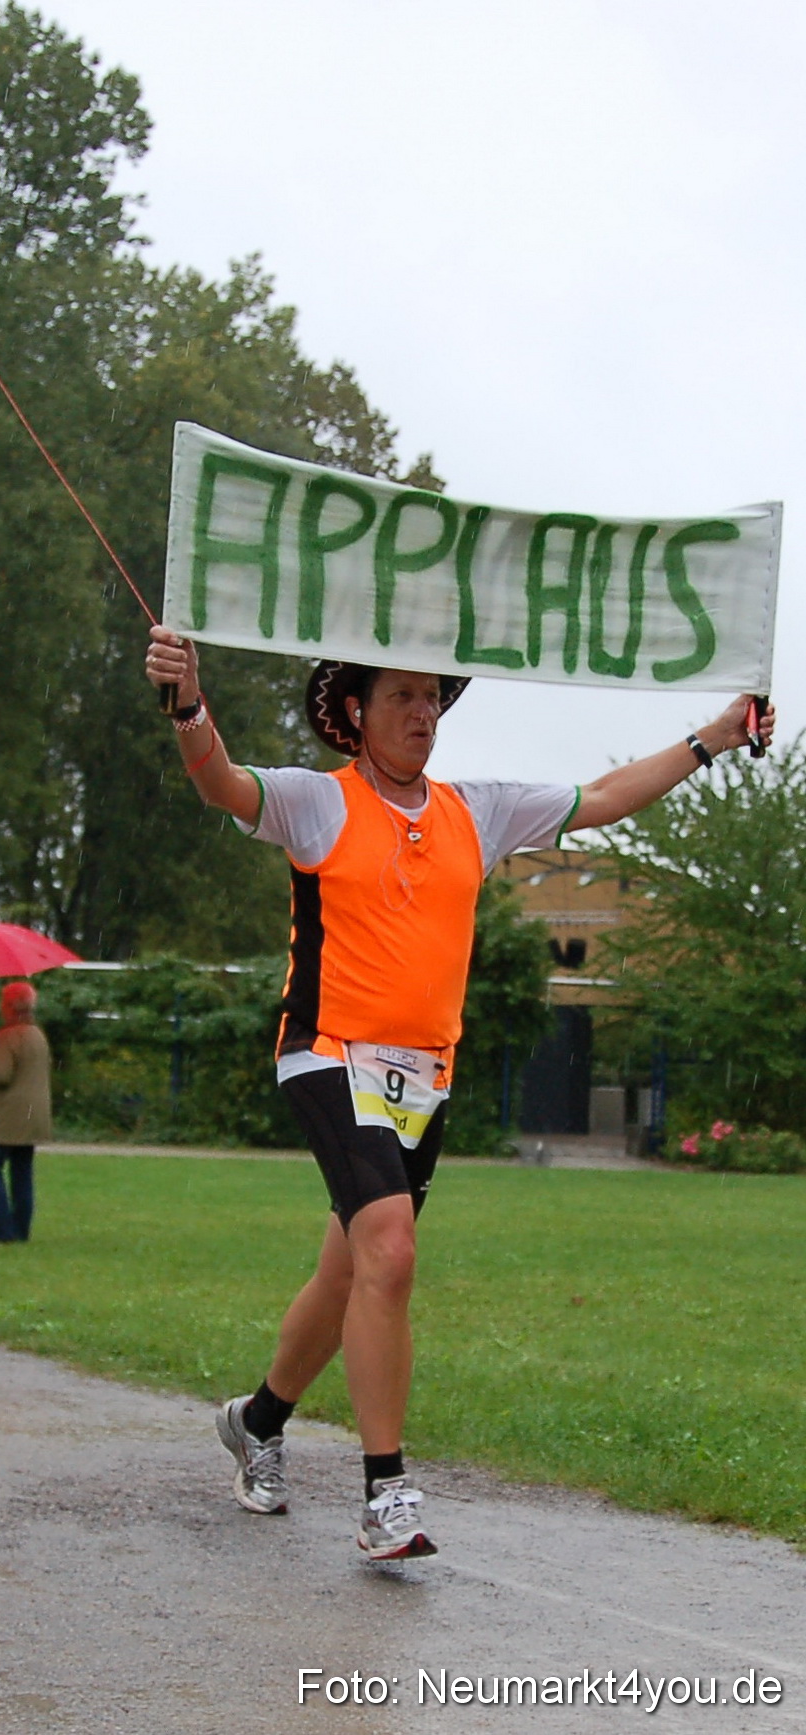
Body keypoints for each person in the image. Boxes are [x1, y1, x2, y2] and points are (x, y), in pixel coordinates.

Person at [145, 624, 775, 1561]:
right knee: (390, 1250)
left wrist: (710, 739)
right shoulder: (319, 803)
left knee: (352, 1268)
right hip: (325, 1049)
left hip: (424, 1076)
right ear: (355, 712)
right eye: (401, 694)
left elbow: (600, 797)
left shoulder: (476, 810)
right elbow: (220, 782)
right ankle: (385, 1491)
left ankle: (259, 1421)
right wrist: (188, 703)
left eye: (433, 697)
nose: (422, 711)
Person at [0, 980, 52, 1243]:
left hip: (7, 1115)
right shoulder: (37, 1035)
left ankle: (2, 1228)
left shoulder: (7, 1036)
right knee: (22, 1170)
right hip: (33, 1114)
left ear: (7, 1006)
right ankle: (21, 1228)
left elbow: (1, 1075)